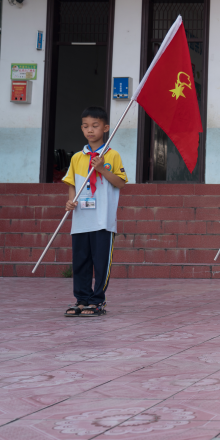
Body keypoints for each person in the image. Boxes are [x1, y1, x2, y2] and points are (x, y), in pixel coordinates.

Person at [63, 106, 127, 317]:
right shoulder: (77, 158)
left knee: (101, 262)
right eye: (85, 126)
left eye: (95, 126)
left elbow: (120, 183)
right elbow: (72, 183)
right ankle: (81, 299)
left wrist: (102, 169)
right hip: (81, 219)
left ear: (106, 128)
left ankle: (97, 301)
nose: (90, 130)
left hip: (102, 220)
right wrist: (70, 200)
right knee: (80, 261)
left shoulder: (112, 155)